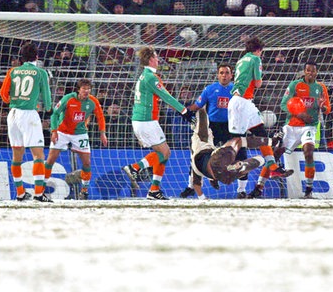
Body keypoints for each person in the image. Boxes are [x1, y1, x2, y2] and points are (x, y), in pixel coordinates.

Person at [122, 46, 195, 200]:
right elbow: (166, 96)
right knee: (164, 153)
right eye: (155, 57)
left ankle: (154, 189)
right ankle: (135, 168)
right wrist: (185, 112)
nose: (158, 59)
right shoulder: (150, 77)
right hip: (145, 121)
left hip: (144, 120)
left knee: (164, 153)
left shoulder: (145, 76)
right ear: (150, 59)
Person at [228, 36, 293, 199]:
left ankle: (272, 167)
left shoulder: (241, 60)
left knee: (262, 134)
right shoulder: (255, 59)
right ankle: (229, 175)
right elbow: (258, 83)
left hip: (245, 102)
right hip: (241, 103)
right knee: (239, 143)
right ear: (259, 50)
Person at [180, 63, 250, 199]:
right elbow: (197, 105)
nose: (224, 75)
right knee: (199, 156)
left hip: (232, 128)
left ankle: (242, 190)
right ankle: (190, 187)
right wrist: (185, 111)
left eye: (227, 73)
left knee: (242, 156)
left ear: (231, 75)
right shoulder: (210, 89)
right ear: (218, 75)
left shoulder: (237, 90)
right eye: (221, 73)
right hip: (213, 129)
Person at [0, 42, 52, 202]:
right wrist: (48, 109)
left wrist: (14, 102)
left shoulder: (13, 71)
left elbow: (2, 93)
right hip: (29, 114)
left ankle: (21, 193)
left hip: (13, 114)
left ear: (21, 57)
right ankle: (38, 193)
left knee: (17, 155)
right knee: (38, 155)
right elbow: (47, 99)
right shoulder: (41, 72)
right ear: (37, 56)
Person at [188, 108, 284, 196]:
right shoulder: (201, 137)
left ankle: (243, 166)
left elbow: (196, 182)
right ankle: (271, 142)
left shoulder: (194, 161)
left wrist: (202, 197)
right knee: (238, 141)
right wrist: (198, 108)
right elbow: (202, 115)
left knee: (254, 162)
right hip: (216, 162)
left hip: (218, 175)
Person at [44, 79, 107, 200]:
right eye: (84, 89)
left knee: (87, 163)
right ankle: (41, 189)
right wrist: (54, 131)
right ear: (78, 90)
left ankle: (84, 191)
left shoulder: (93, 101)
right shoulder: (68, 99)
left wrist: (102, 133)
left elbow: (100, 117)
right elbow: (55, 114)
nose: (86, 91)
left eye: (88, 89)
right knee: (50, 160)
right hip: (62, 132)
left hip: (80, 134)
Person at [277, 60, 331, 198]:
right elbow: (283, 105)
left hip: (309, 126)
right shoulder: (295, 85)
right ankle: (259, 186)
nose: (310, 73)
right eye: (308, 70)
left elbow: (327, 109)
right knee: (276, 153)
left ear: (316, 72)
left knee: (308, 152)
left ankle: (308, 189)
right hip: (292, 126)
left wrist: (321, 106)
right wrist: (299, 113)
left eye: (313, 70)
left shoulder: (321, 87)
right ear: (304, 71)